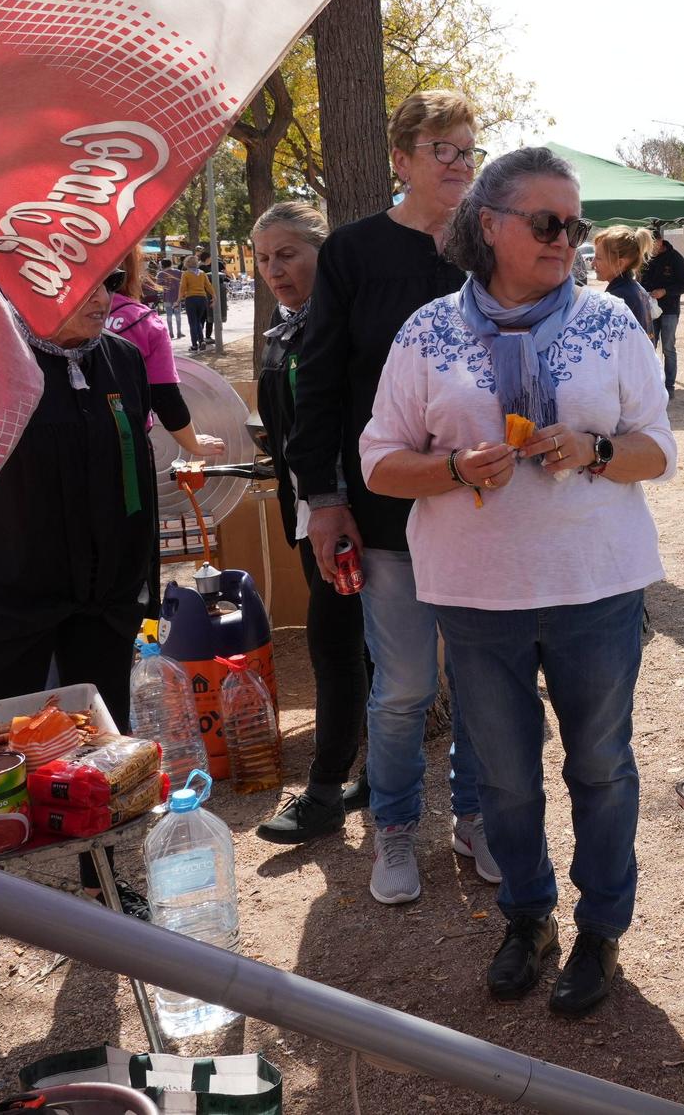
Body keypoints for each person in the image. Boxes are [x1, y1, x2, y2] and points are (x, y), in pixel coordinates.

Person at [361, 146, 675, 1016]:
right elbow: (380, 462)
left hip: (595, 587)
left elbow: (660, 447)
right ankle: (528, 917)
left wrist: (595, 449)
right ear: (489, 225)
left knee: (601, 767)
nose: (566, 237)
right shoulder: (426, 331)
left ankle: (602, 929)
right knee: (504, 775)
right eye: (547, 222)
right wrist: (456, 468)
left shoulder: (611, 322)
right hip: (476, 594)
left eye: (574, 223)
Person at [284, 89, 497, 895]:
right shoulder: (353, 253)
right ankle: (396, 830)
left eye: (466, 148)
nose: (456, 162)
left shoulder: (492, 243)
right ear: (400, 159)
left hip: (485, 506)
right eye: (439, 147)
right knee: (405, 683)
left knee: (482, 683)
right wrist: (323, 499)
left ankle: (475, 820)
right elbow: (322, 385)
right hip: (382, 508)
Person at [0, 282, 158, 1015]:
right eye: (86, 286)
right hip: (4, 600)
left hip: (100, 598)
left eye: (107, 284)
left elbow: (134, 483)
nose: (105, 299)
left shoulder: (120, 358)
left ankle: (105, 887)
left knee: (102, 750)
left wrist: (130, 585)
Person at [250, 202, 373, 842]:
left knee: (334, 646)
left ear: (323, 253)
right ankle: (378, 773)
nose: (274, 269)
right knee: (357, 646)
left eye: (287, 254)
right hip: (307, 514)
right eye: (264, 258)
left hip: (349, 514)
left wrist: (334, 502)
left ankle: (325, 791)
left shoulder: (344, 324)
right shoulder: (283, 328)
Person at [103, 248, 226, 464]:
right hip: (124, 450)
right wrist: (193, 444)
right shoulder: (143, 322)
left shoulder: (44, 321)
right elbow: (164, 396)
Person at [638, 223, 684, 394]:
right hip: (649, 311)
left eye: (651, 244)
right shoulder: (644, 258)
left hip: (669, 310)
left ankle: (669, 386)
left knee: (668, 347)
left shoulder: (675, 258)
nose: (649, 249)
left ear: (660, 242)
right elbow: (639, 281)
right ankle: (652, 384)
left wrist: (665, 291)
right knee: (649, 347)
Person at [591, 225, 658, 336]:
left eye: (598, 258)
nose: (592, 263)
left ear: (620, 263)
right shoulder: (634, 288)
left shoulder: (619, 297)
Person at [180, 257, 213, 351]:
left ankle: (194, 345)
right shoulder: (202, 273)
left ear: (186, 263)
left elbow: (182, 288)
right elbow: (208, 285)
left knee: (192, 323)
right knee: (198, 321)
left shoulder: (186, 274)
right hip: (202, 298)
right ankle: (201, 340)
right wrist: (214, 296)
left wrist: (178, 300)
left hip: (191, 299)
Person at [158, 258, 183, 338]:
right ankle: (179, 332)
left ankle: (171, 333)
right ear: (171, 264)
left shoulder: (161, 274)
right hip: (177, 297)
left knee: (169, 315)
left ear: (162, 265)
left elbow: (159, 285)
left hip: (167, 297)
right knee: (178, 315)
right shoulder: (178, 272)